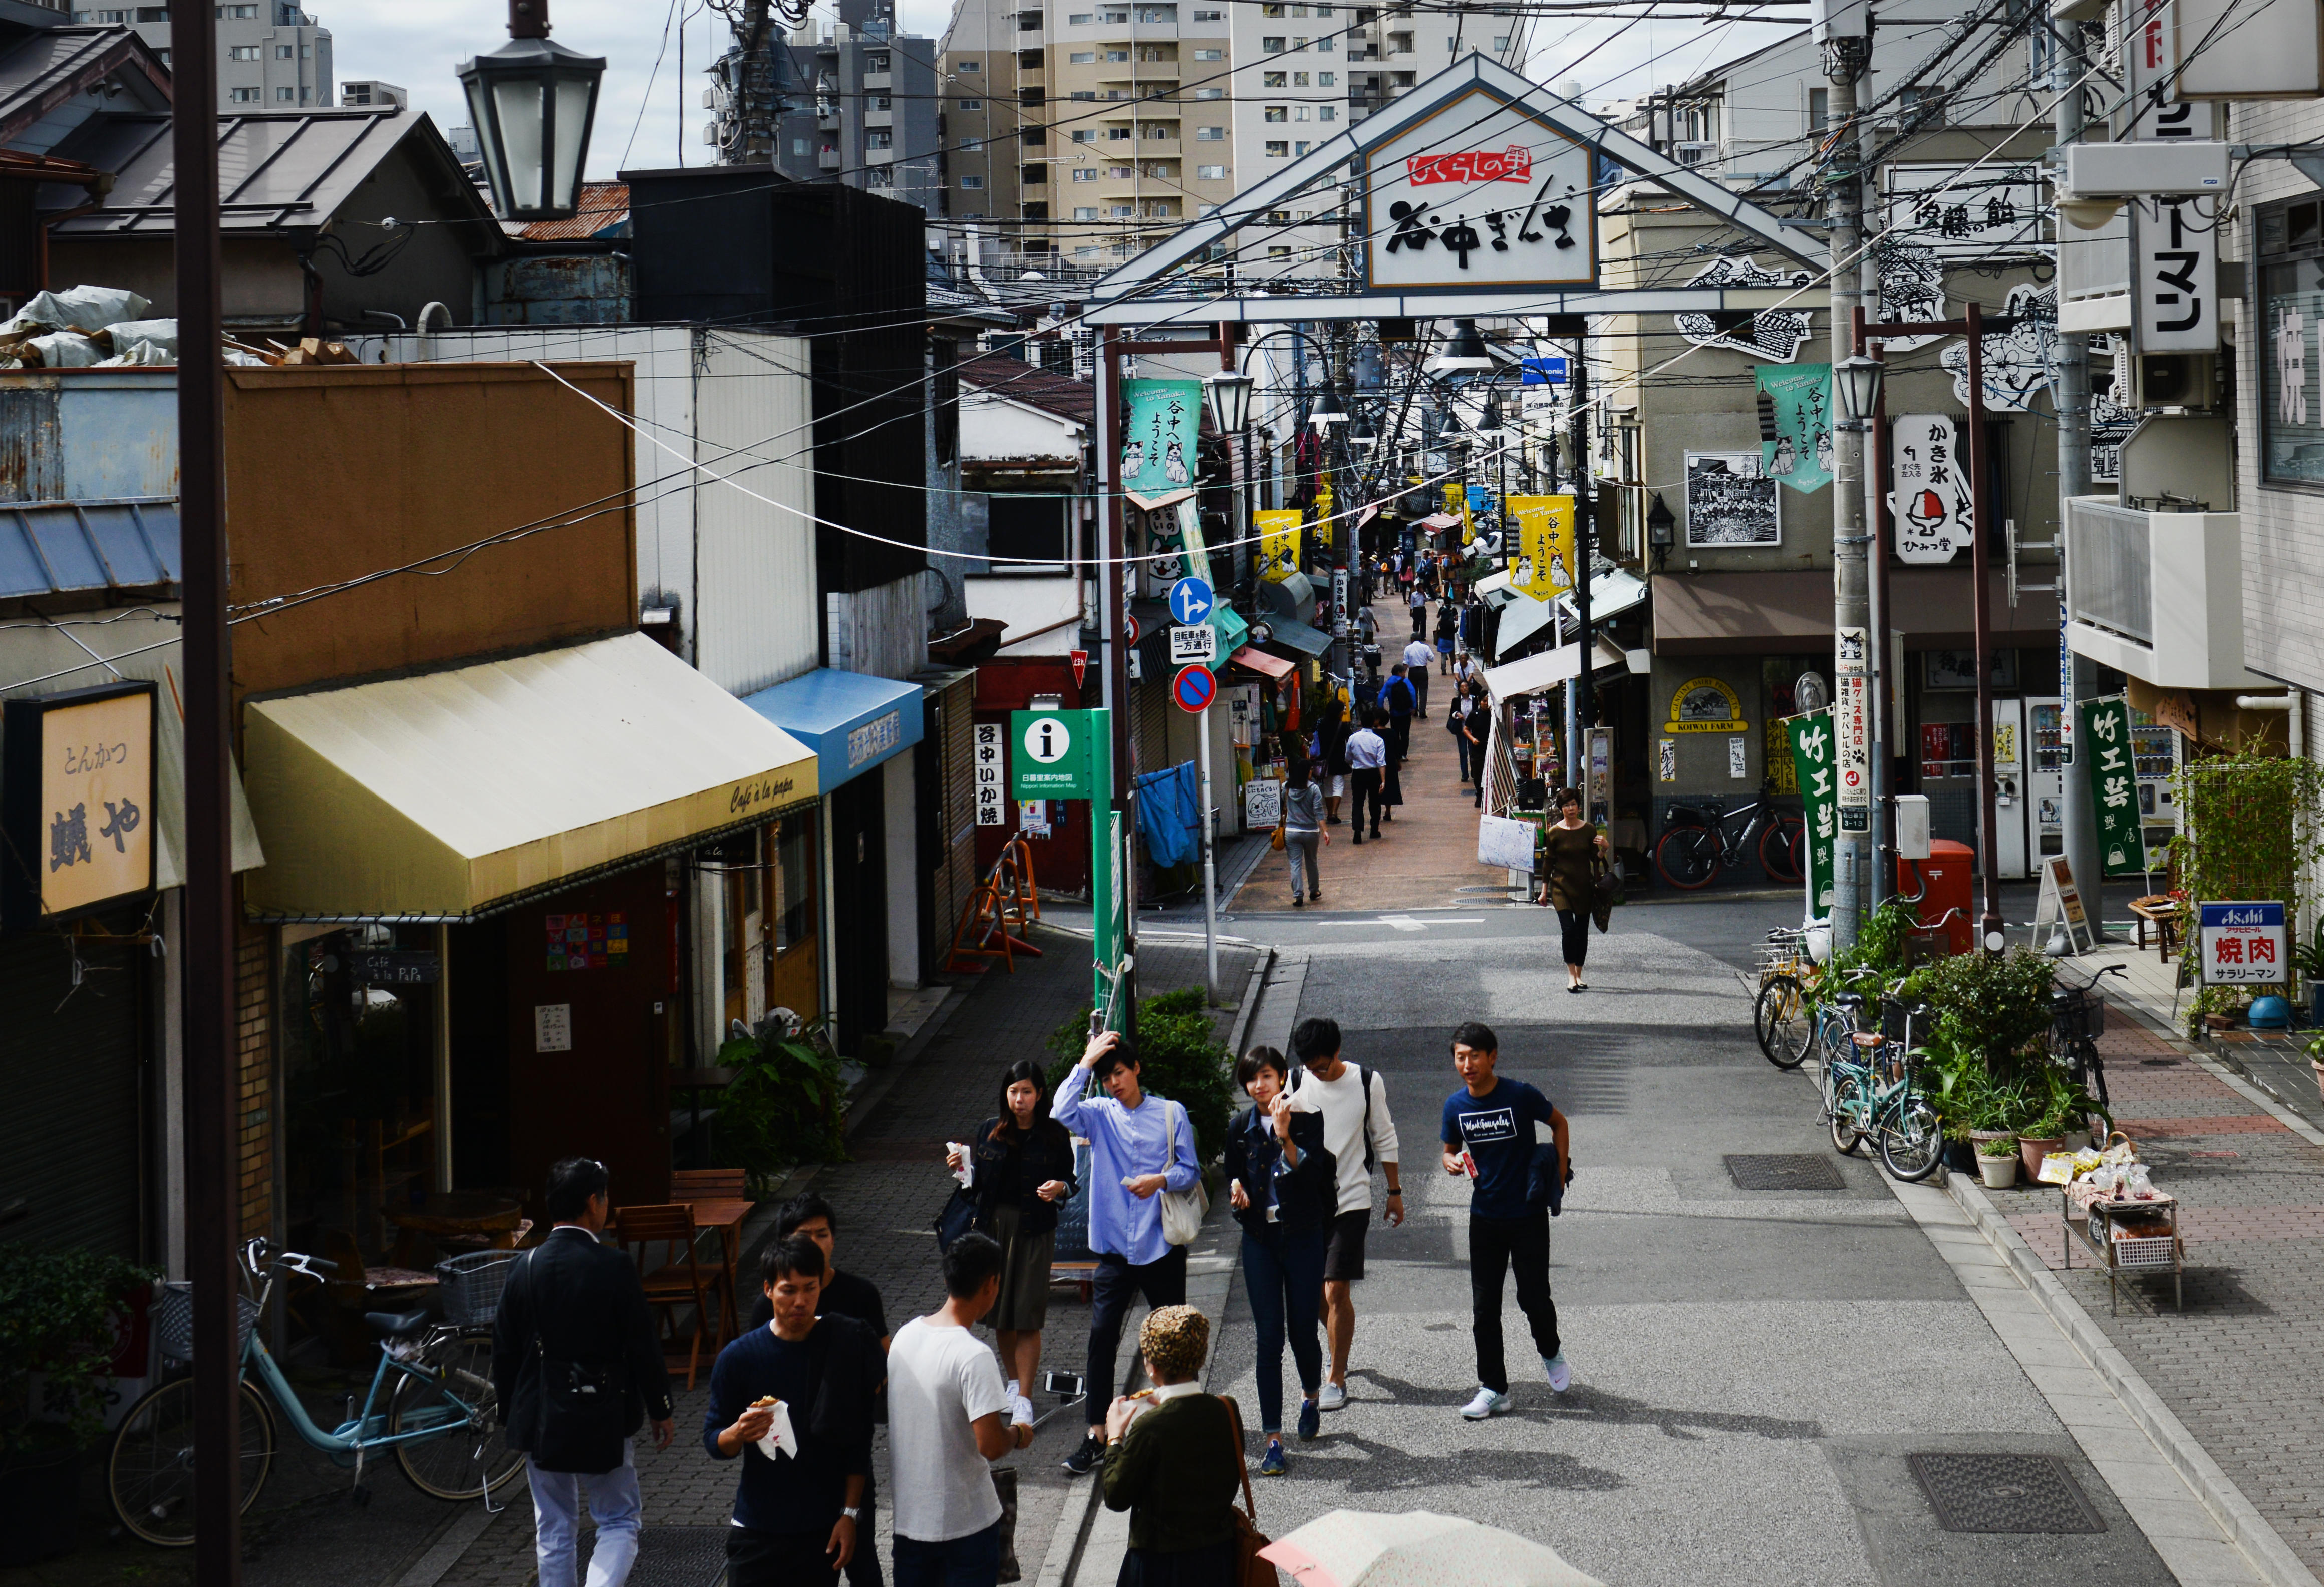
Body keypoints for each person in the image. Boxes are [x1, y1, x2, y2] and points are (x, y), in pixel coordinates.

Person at [492, 1157, 676, 1587]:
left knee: (554, 1528)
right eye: (606, 1196)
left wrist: (512, 1415)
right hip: (603, 1410)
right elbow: (642, 1345)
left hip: (540, 1414)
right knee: (618, 1519)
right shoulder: (613, 1267)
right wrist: (660, 1407)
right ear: (593, 1203)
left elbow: (504, 1349)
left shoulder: (526, 1266)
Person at [1053, 1031, 1203, 1477]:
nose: (1113, 1083)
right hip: (1115, 1248)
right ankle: (1097, 1434)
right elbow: (1060, 1111)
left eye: (1119, 1072)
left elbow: (1190, 1170)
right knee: (1102, 1337)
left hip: (1161, 1244)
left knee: (1176, 1337)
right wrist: (1086, 1060)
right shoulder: (1098, 1114)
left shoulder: (1171, 1112)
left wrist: (1158, 1181)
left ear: (1137, 1070)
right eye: (1106, 1077)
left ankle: (1184, 1422)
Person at [704, 1237, 883, 1587]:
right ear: (769, 1290)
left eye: (810, 1289)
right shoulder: (739, 1358)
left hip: (821, 1531)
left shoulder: (843, 1345)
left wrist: (849, 1515)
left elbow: (858, 1444)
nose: (800, 1301)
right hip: (757, 1529)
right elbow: (714, 1441)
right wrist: (737, 1433)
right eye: (788, 1291)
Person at [742, 1196, 892, 1587]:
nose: (814, 1243)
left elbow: (885, 1366)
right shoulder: (767, 1307)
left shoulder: (861, 1295)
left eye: (822, 1234)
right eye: (803, 1235)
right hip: (792, 1466)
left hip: (850, 1455)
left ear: (834, 1240)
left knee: (862, 1563)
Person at [1439, 1021, 1570, 1419]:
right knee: (1484, 1309)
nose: (1467, 1064)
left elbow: (1559, 1123)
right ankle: (1494, 1387)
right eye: (1460, 1057)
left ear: (1492, 1057)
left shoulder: (1519, 1095)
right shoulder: (1455, 1106)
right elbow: (1449, 1150)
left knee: (1533, 1297)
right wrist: (1450, 1162)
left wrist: (1560, 1174)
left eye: (1474, 1056)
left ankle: (1550, 1351)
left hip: (1527, 1215)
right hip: (1485, 1218)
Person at [888, 1232, 1033, 1586]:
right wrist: (1019, 1433)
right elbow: (991, 1445)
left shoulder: (904, 1337)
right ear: (991, 1285)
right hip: (966, 1526)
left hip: (909, 1523)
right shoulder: (974, 1355)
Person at [947, 1060, 1077, 1424]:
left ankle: (1024, 1397)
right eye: (1013, 1091)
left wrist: (1060, 1187)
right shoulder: (990, 1130)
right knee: (1002, 1314)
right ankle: (1013, 1382)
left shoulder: (1053, 1134)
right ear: (1006, 1094)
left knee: (1028, 1314)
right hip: (994, 1229)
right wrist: (961, 1167)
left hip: (1035, 1229)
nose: (1020, 1099)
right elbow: (975, 1186)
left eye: (1027, 1092)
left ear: (1039, 1095)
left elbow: (1070, 1179)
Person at [1224, 1048, 1334, 1474]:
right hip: (1260, 1239)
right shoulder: (1239, 1127)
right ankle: (1273, 1440)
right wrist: (1238, 1194)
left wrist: (1286, 1134)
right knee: (1268, 1338)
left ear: (1283, 1077)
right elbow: (1234, 1176)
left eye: (1266, 1076)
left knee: (1302, 1331)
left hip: (1304, 1236)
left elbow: (1311, 1176)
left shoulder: (1308, 1120)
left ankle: (1310, 1396)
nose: (1259, 1086)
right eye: (1251, 1079)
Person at [1285, 1017, 1402, 1411]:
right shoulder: (1294, 1082)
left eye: (1322, 1066)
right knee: (1317, 1295)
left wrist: (1395, 1192)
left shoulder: (1367, 1081)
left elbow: (1383, 1134)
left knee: (1336, 1289)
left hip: (1352, 1199)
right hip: (1307, 1204)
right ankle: (1341, 1340)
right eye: (1310, 1067)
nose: (1315, 1073)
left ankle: (1336, 1376)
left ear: (1338, 1051)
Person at [1102, 1306, 1246, 1587]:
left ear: (1152, 1367)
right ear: (1199, 1358)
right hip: (1217, 1558)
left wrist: (1115, 1437)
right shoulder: (1227, 1409)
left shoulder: (1150, 1427)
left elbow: (1116, 1496)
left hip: (1161, 1564)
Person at [1542, 787, 1611, 992]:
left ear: (1579, 807)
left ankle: (1579, 974)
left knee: (1582, 932)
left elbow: (1593, 858)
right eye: (1566, 805)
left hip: (1583, 887)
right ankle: (1571, 976)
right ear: (1561, 808)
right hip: (1560, 887)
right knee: (1568, 930)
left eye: (1573, 804)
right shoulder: (1554, 832)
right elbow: (1548, 862)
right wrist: (1544, 891)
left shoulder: (1589, 829)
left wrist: (1604, 849)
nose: (1570, 808)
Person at [1344, 711, 1387, 843]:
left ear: (1361, 722)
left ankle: (1357, 831)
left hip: (1358, 773)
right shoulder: (1378, 740)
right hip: (1374, 773)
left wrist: (1355, 762)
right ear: (1374, 722)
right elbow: (1381, 762)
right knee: (1374, 802)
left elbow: (1348, 758)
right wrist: (1383, 780)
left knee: (1357, 802)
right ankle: (1374, 830)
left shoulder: (1353, 738)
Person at [1448, 686, 1485, 796]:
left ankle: (1474, 772)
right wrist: (1457, 715)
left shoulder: (1474, 700)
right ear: (1459, 689)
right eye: (1462, 687)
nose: (1464, 689)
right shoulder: (1456, 701)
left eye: (1466, 687)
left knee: (1472, 752)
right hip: (1461, 730)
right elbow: (1452, 713)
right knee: (1463, 752)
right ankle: (1464, 774)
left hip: (1472, 731)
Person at [1318, 702, 1350, 826]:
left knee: (1328, 787)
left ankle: (1329, 812)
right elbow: (1351, 739)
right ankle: (1335, 813)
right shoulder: (1343, 726)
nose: (1344, 712)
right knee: (1338, 785)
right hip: (1339, 760)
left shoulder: (1322, 724)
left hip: (1325, 761)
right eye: (1343, 710)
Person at [1381, 666, 1416, 765]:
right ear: (1400, 673)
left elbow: (1381, 696)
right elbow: (1413, 693)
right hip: (1406, 712)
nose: (1405, 674)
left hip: (1394, 713)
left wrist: (1381, 709)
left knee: (1395, 733)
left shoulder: (1389, 683)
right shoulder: (1406, 682)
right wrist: (1414, 707)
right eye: (1404, 673)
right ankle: (1404, 754)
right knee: (1405, 734)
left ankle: (1397, 754)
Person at [1401, 634, 1435, 719]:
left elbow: (1406, 662)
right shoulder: (1425, 647)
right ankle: (1423, 712)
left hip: (1413, 672)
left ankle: (1415, 710)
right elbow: (1432, 658)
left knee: (1413, 691)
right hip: (1423, 671)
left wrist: (1403, 673)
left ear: (1412, 639)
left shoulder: (1408, 648)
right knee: (1423, 692)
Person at [1434, 601, 1458, 675]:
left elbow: (1438, 616)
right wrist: (1457, 627)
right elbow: (1454, 630)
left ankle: (1443, 670)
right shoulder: (1451, 621)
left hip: (1442, 639)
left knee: (1443, 656)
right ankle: (1454, 669)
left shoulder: (1442, 622)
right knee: (1452, 656)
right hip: (1450, 640)